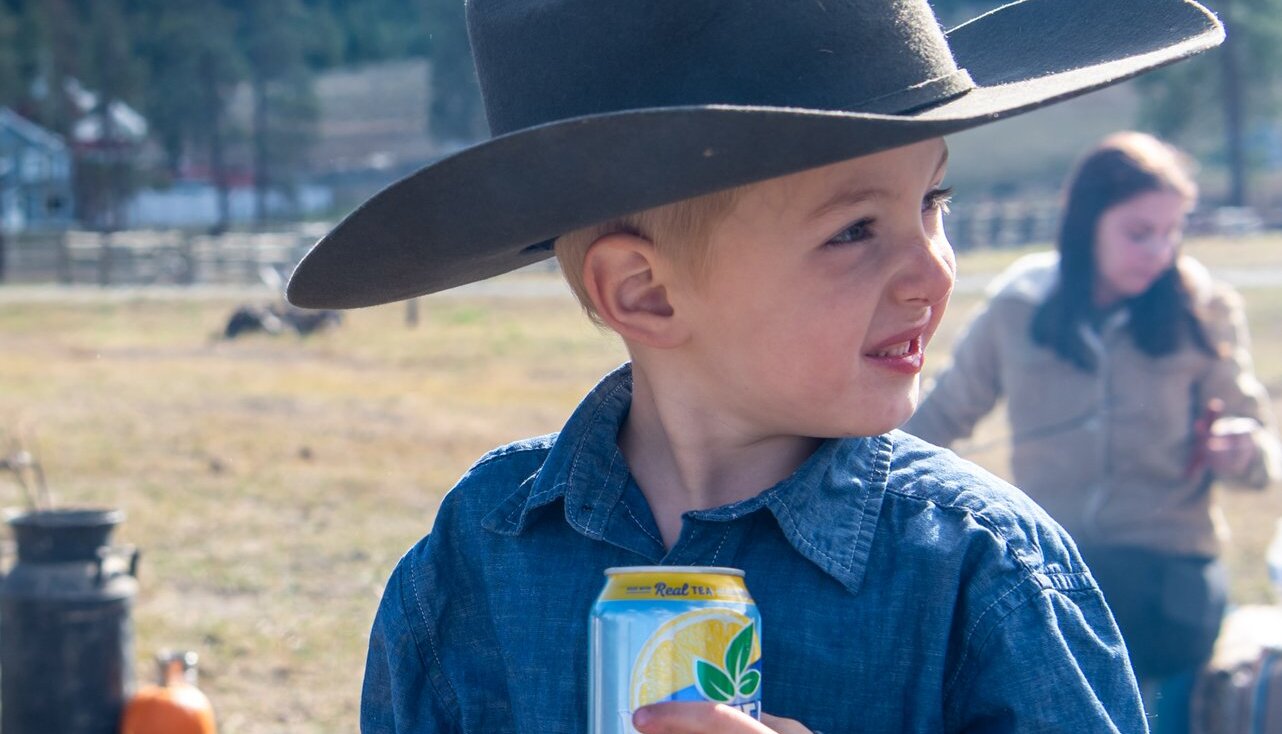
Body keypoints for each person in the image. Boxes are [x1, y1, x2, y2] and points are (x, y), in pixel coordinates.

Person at [284, 2, 1227, 731]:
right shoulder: (482, 550)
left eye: (932, 201)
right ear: (645, 295)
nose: (932, 268)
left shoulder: (982, 573)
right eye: (855, 230)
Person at [905, 131, 1282, 733]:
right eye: (1140, 233)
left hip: (1168, 578)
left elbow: (1262, 456)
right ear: (1085, 224)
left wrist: (1238, 448)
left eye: (1172, 231)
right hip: (1051, 571)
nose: (1160, 251)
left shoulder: (1203, 309)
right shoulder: (1019, 305)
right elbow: (938, 420)